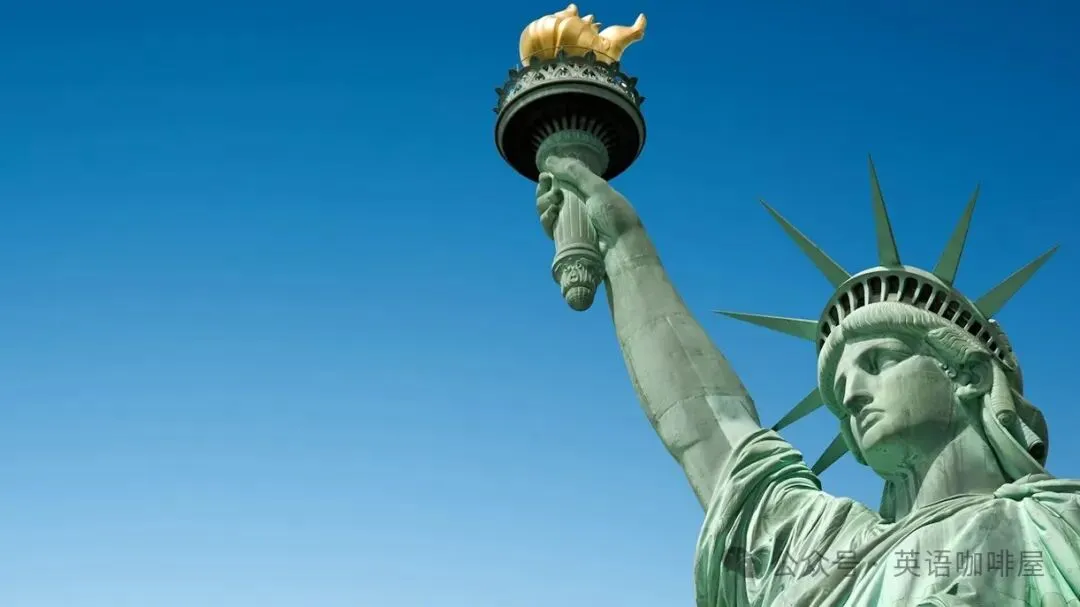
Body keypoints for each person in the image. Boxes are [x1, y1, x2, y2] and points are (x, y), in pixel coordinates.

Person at [535, 155, 1080, 606]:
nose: (853, 394)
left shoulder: (1060, 531)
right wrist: (624, 248)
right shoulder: (829, 551)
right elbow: (711, 427)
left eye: (879, 361)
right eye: (839, 391)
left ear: (968, 374)